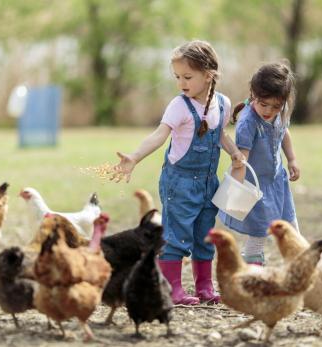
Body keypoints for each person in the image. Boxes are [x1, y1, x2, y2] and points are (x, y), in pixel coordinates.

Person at [112, 40, 244, 305]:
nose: (181, 83)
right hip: (179, 182)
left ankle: (205, 287)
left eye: (187, 77)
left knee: (204, 234)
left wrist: (234, 152)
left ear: (209, 75)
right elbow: (160, 135)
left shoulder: (222, 103)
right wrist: (135, 157)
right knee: (176, 235)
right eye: (177, 77)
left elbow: (220, 134)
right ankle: (172, 288)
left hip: (209, 182)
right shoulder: (179, 106)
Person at [220, 62, 301, 266]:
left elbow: (284, 133)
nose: (269, 111)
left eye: (276, 106)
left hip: (276, 180)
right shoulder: (248, 123)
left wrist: (291, 159)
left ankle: (300, 263)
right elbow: (241, 160)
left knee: (290, 223)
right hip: (256, 186)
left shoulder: (281, 112)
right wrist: (235, 190)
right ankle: (252, 270)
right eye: (264, 104)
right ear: (253, 95)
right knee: (259, 232)